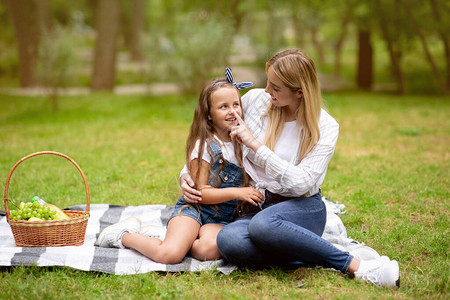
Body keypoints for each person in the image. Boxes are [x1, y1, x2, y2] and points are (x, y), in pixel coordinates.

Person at [180, 49, 400, 288]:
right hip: (257, 205)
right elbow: (216, 133)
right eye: (268, 82)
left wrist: (255, 144)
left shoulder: (325, 126)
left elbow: (301, 183)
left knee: (263, 226)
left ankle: (359, 267)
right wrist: (187, 175)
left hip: (303, 207)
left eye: (275, 87)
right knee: (229, 239)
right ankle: (304, 250)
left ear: (300, 92)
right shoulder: (256, 101)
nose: (266, 91)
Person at [95, 68, 264, 264]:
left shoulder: (245, 142)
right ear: (209, 115)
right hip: (196, 209)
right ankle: (125, 236)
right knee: (170, 255)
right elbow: (200, 192)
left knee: (207, 250)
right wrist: (238, 192)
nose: (233, 111)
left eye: (236, 104)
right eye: (223, 107)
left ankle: (167, 237)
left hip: (223, 218)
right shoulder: (205, 146)